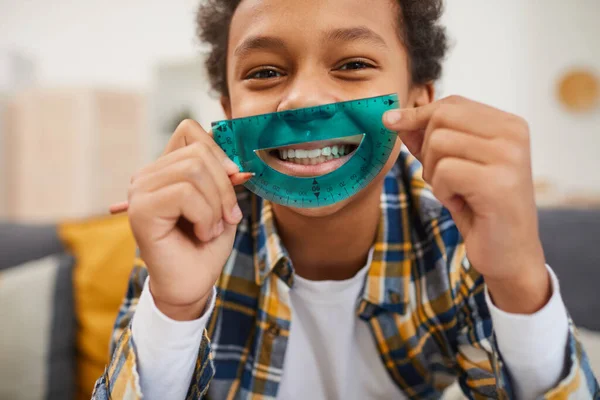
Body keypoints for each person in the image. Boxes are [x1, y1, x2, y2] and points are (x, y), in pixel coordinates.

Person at [92, 0, 599, 399]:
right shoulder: (192, 231)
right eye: (265, 73)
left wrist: (517, 278)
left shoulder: (454, 231)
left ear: (419, 101)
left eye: (354, 64)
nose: (306, 99)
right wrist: (176, 307)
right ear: (227, 112)